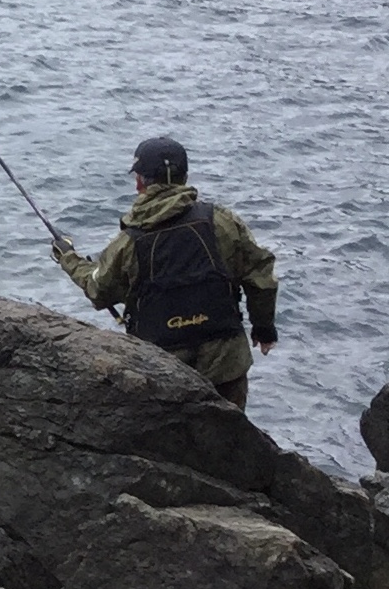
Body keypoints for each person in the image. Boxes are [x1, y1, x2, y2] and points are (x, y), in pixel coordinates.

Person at [54, 136, 279, 408]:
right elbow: (260, 274)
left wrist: (68, 258)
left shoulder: (128, 242)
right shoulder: (222, 221)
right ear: (185, 177)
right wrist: (264, 329)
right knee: (228, 433)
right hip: (225, 364)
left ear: (140, 183)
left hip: (160, 371)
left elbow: (99, 289)